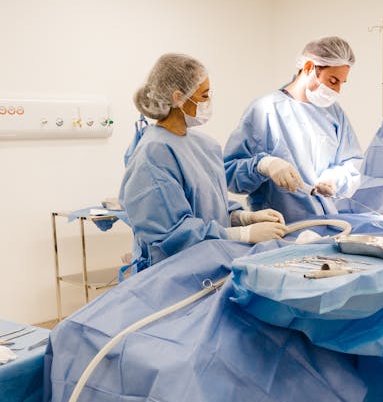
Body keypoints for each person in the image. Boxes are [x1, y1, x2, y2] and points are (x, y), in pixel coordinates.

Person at [119, 53, 286, 271]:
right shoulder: (153, 153)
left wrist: (244, 218)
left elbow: (210, 209)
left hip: (212, 264)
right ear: (179, 97)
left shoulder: (205, 145)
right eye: (204, 95)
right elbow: (172, 234)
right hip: (173, 274)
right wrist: (242, 235)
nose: (209, 101)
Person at [223, 36, 363, 221]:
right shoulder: (265, 111)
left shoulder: (334, 113)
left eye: (341, 83)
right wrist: (263, 166)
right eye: (332, 80)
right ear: (308, 68)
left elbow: (351, 161)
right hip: (279, 228)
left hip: (328, 225)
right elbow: (229, 174)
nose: (337, 91)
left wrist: (334, 178)